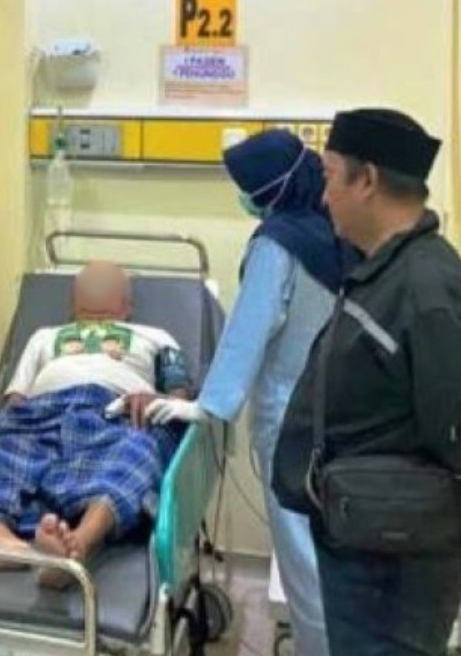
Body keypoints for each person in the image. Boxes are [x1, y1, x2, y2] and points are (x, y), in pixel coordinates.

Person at [272, 107, 461, 656]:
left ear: (366, 180)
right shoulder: (385, 272)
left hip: (393, 568)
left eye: (329, 177)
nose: (323, 197)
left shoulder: (426, 292)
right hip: (370, 539)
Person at [147, 130, 355, 656]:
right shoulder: (335, 234)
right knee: (334, 557)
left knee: (305, 561)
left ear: (269, 189)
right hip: (344, 414)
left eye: (246, 188)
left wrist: (207, 405)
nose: (244, 199)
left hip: (290, 420)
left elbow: (250, 328)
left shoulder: (276, 244)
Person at [0, 261, 194, 588]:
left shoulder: (156, 336)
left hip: (112, 414)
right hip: (39, 414)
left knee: (137, 451)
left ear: (128, 305)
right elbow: (15, 400)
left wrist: (154, 399)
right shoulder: (44, 337)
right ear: (72, 302)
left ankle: (78, 546)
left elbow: (180, 397)